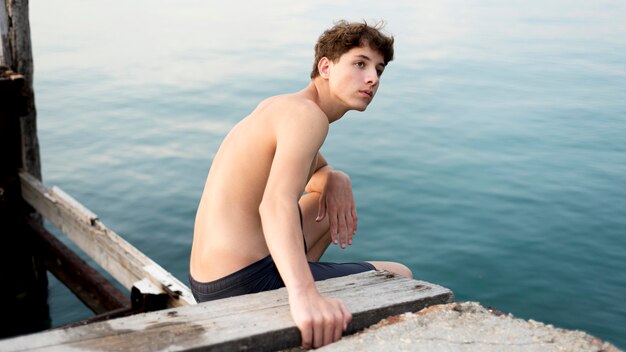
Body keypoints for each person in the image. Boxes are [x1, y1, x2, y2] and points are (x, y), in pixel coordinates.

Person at [189, 20, 412, 349]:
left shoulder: (284, 106)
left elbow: (315, 173)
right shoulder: (309, 118)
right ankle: (303, 301)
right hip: (245, 283)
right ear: (326, 66)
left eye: (379, 69)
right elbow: (275, 203)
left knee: (319, 200)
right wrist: (304, 294)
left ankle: (303, 285)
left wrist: (337, 177)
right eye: (359, 64)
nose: (372, 79)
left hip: (209, 281)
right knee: (400, 277)